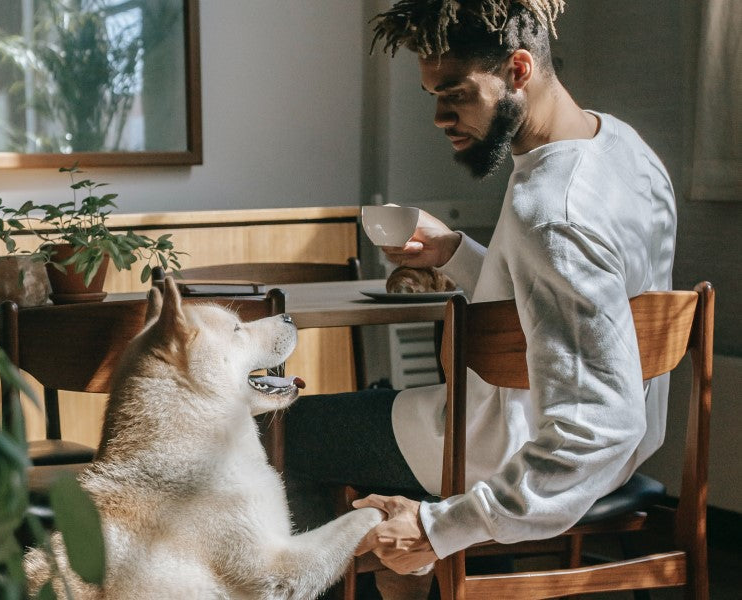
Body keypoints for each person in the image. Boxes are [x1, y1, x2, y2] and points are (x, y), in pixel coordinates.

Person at [283, 0, 677, 596]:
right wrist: (458, 254)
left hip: (518, 450)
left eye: (457, 93)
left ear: (518, 69)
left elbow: (597, 425)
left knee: (287, 432)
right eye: (432, 96)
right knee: (378, 409)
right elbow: (558, 306)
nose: (440, 117)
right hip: (613, 449)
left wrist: (438, 525)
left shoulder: (552, 213)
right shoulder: (624, 149)